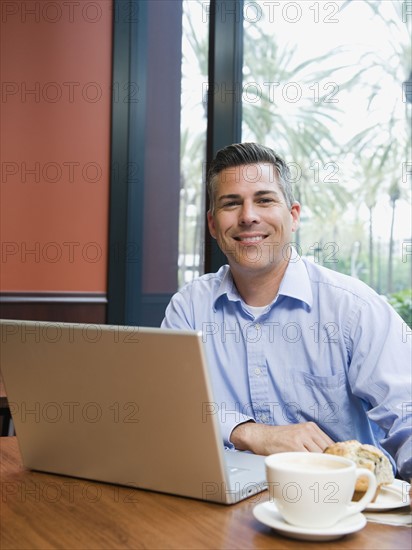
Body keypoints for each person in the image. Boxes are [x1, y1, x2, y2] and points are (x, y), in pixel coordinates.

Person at [161, 142, 412, 484]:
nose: (248, 216)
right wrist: (250, 432)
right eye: (231, 203)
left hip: (339, 507)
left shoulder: (354, 308)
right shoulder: (188, 308)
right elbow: (169, 408)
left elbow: (407, 415)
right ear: (213, 224)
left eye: (264, 200)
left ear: (293, 216)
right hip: (220, 506)